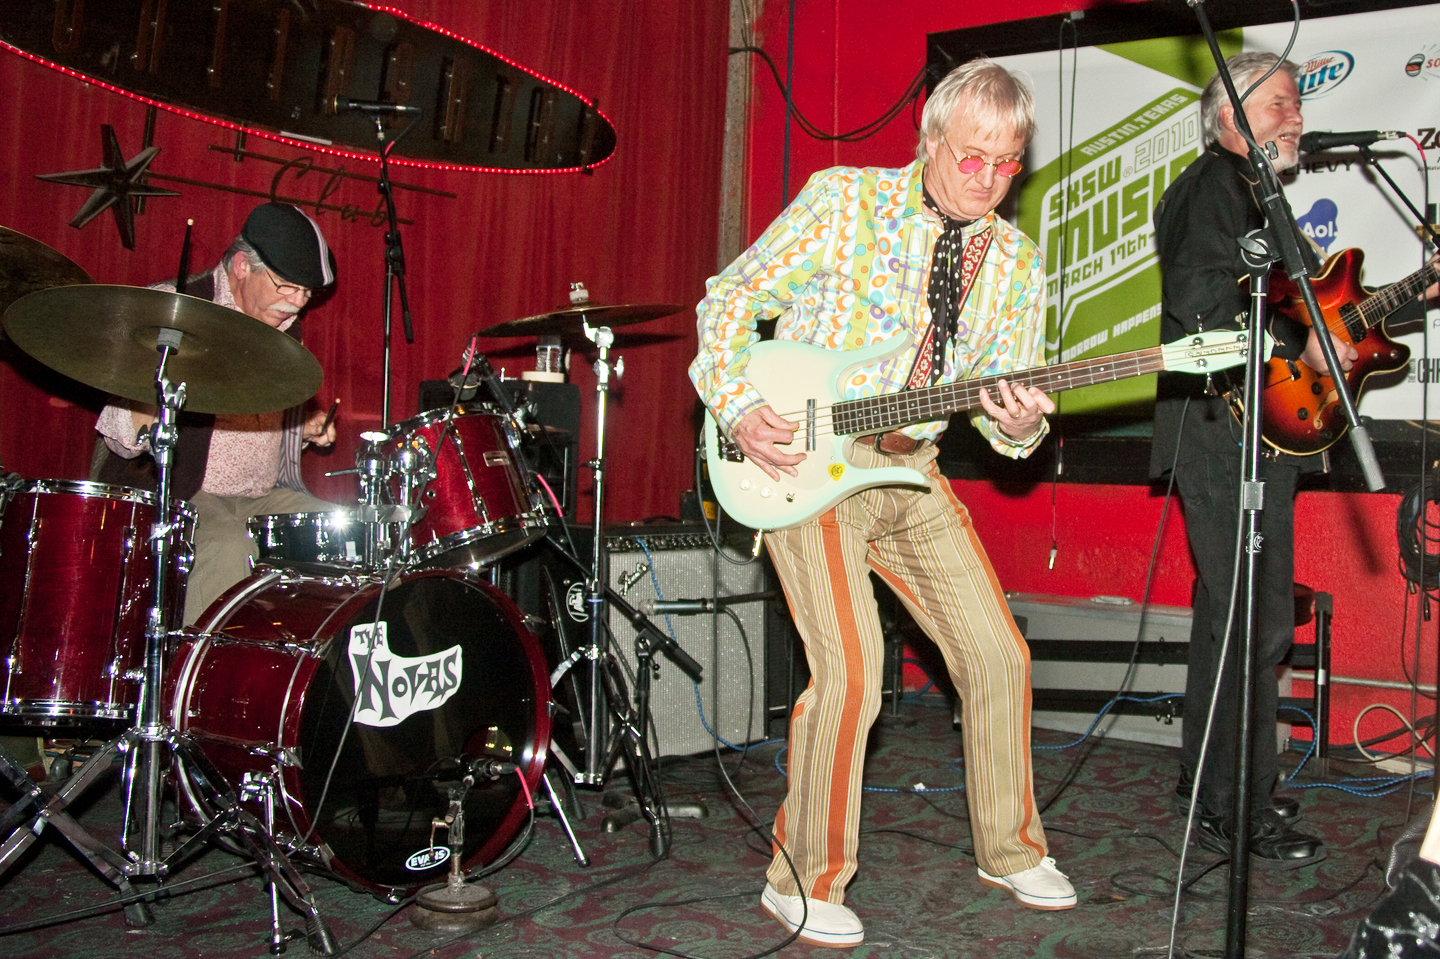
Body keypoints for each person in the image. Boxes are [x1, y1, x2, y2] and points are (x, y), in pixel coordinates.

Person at [690, 59, 1074, 948]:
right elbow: (732, 297)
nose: (987, 180)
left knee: (998, 656)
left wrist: (1020, 424)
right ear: (930, 141)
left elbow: (1010, 433)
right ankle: (803, 876)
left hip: (912, 470)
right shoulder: (843, 201)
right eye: (970, 157)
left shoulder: (1016, 265)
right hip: (807, 463)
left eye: (1006, 163)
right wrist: (739, 403)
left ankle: (1011, 850)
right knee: (854, 668)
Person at [1151, 52, 1357, 867]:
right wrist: (1288, 319)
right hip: (1221, 430)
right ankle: (1239, 806)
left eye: (1297, 103)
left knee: (1229, 620)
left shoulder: (1254, 197)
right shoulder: (1215, 188)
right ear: (1230, 117)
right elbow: (1199, 302)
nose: (1296, 116)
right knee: (1258, 623)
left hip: (1250, 431)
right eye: (1278, 104)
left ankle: (1214, 789)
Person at [94, 202, 339, 625]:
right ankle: (199, 681)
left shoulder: (283, 329)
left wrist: (299, 427)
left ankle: (304, 676)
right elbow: (118, 437)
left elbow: (249, 415)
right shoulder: (176, 309)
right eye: (287, 286)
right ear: (243, 266)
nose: (298, 304)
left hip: (258, 496)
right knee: (227, 544)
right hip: (181, 491)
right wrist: (148, 401)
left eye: (307, 293)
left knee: (339, 533)